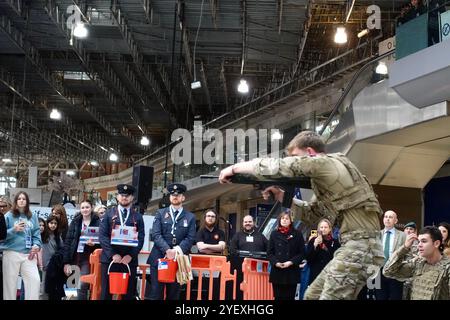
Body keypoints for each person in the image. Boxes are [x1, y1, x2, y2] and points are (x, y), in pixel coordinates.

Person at [219, 130, 384, 300]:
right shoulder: (330, 180)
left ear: (310, 152)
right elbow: (313, 215)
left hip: (361, 247)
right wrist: (281, 196)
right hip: (357, 247)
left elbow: (281, 166)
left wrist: (234, 168)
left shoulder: (324, 163)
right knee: (312, 296)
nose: (294, 160)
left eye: (297, 156)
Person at [147, 183, 196, 300]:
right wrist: (167, 250)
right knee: (156, 293)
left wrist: (175, 251)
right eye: (173, 195)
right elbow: (156, 234)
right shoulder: (160, 213)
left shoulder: (190, 217)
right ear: (169, 197)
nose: (175, 196)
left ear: (183, 198)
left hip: (178, 260)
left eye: (178, 195)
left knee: (174, 295)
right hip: (159, 258)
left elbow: (190, 238)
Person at [99, 184, 145, 300]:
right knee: (106, 293)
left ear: (132, 198)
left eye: (127, 195)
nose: (124, 197)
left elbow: (141, 238)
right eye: (122, 195)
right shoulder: (109, 214)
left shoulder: (138, 217)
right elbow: (103, 236)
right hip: (110, 259)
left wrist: (130, 255)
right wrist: (112, 254)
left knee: (128, 293)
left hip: (129, 260)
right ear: (117, 197)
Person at [383, 226, 450, 299]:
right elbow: (387, 271)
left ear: (436, 243)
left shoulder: (447, 267)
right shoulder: (417, 264)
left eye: (424, 241)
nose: (419, 245)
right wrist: (404, 248)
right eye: (419, 241)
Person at [1, 191, 42, 300]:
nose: (21, 200)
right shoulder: (8, 216)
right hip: (11, 252)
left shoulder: (33, 216)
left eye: (24, 198)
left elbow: (37, 235)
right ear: (15, 201)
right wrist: (14, 230)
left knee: (35, 280)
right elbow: (1, 236)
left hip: (29, 254)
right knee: (10, 285)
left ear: (27, 201)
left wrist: (36, 245)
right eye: (19, 198)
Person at [63, 199, 100, 300]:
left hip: (88, 258)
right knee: (72, 284)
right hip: (75, 256)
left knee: (83, 284)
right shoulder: (75, 222)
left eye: (87, 207)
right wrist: (66, 262)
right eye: (83, 207)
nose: (85, 210)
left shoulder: (98, 222)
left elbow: (101, 242)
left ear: (91, 208)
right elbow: (68, 241)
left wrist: (94, 244)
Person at [267, 210, 305, 300]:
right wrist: (276, 263)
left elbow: (302, 253)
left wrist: (291, 262)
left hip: (291, 272)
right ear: (279, 220)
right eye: (282, 218)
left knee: (290, 297)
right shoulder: (274, 234)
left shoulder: (298, 234)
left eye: (286, 218)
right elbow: (269, 253)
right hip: (277, 271)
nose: (284, 220)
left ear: (291, 220)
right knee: (278, 297)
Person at [229, 214, 268, 300]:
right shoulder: (237, 235)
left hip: (258, 270)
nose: (248, 223)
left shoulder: (260, 236)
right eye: (246, 222)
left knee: (256, 290)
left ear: (253, 223)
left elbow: (269, 249)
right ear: (243, 223)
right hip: (241, 269)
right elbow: (232, 249)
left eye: (250, 222)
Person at [374, 210, 406, 300]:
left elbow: (407, 253)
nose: (387, 219)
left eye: (390, 217)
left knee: (395, 297)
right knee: (380, 297)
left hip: (395, 272)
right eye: (386, 217)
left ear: (395, 221)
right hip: (379, 272)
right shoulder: (377, 235)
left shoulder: (403, 236)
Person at [305, 218, 340, 286]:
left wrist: (325, 248)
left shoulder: (335, 242)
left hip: (329, 275)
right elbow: (308, 259)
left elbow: (335, 258)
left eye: (325, 227)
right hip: (315, 276)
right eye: (321, 227)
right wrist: (315, 245)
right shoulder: (313, 240)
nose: (323, 229)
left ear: (330, 229)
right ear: (318, 229)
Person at [40, 215, 63, 300]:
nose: (53, 225)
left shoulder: (58, 237)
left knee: (50, 291)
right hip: (42, 267)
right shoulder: (42, 234)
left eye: (55, 223)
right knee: (42, 292)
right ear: (47, 223)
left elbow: (61, 250)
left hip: (53, 268)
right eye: (51, 223)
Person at [0, 196, 12, 300]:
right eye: (0, 206)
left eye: (4, 206)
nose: (2, 208)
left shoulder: (11, 218)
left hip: (9, 253)